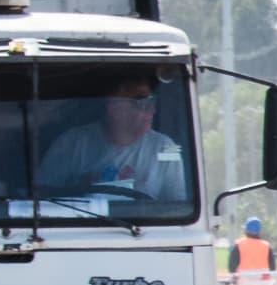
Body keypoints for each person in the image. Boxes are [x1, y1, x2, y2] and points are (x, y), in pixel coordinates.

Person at [41, 74, 190, 211]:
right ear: (114, 108)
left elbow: (179, 206)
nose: (151, 110)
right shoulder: (72, 143)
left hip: (142, 231)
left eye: (152, 102)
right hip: (82, 229)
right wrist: (78, 189)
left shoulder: (163, 147)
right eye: (142, 103)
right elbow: (42, 198)